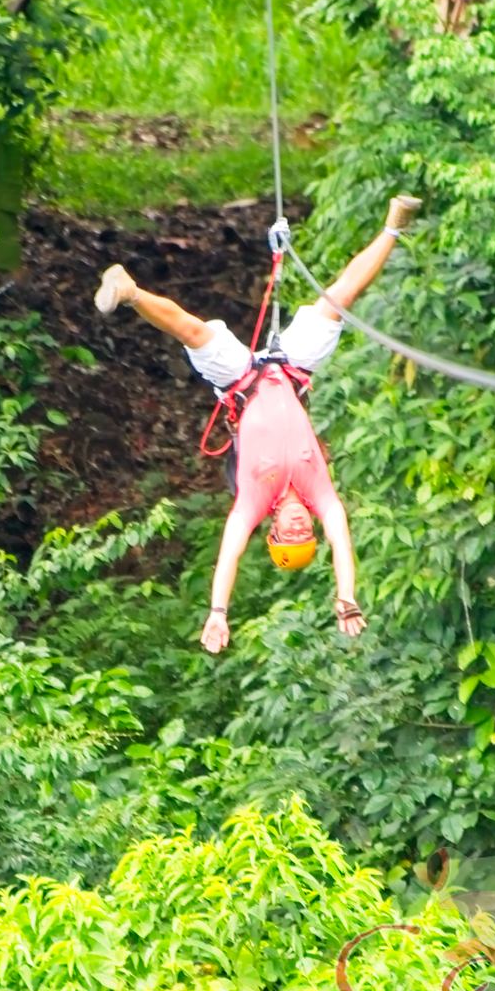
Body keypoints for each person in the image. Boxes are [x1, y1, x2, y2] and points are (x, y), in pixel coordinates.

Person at [94, 194, 421, 652]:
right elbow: (341, 537)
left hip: (240, 383)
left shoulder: (254, 499)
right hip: (291, 371)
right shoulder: (319, 492)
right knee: (339, 299)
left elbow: (229, 553)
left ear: (273, 531)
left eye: (290, 534)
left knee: (192, 330)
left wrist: (218, 613)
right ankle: (393, 226)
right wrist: (346, 596)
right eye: (305, 532)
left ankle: (130, 292)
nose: (298, 527)